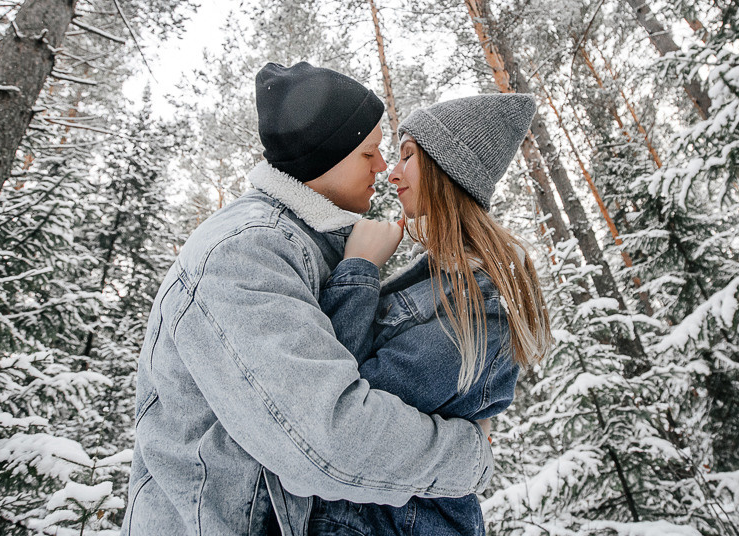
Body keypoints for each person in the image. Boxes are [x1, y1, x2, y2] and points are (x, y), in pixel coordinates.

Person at [121, 62, 493, 536]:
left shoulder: (306, 247)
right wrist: (471, 456)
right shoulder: (244, 251)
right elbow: (327, 438)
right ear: (326, 157)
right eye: (370, 153)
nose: (382, 168)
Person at [310, 93, 553, 536]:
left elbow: (338, 406)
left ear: (447, 172)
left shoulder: (483, 306)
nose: (392, 172)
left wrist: (359, 270)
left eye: (407, 156)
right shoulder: (436, 276)